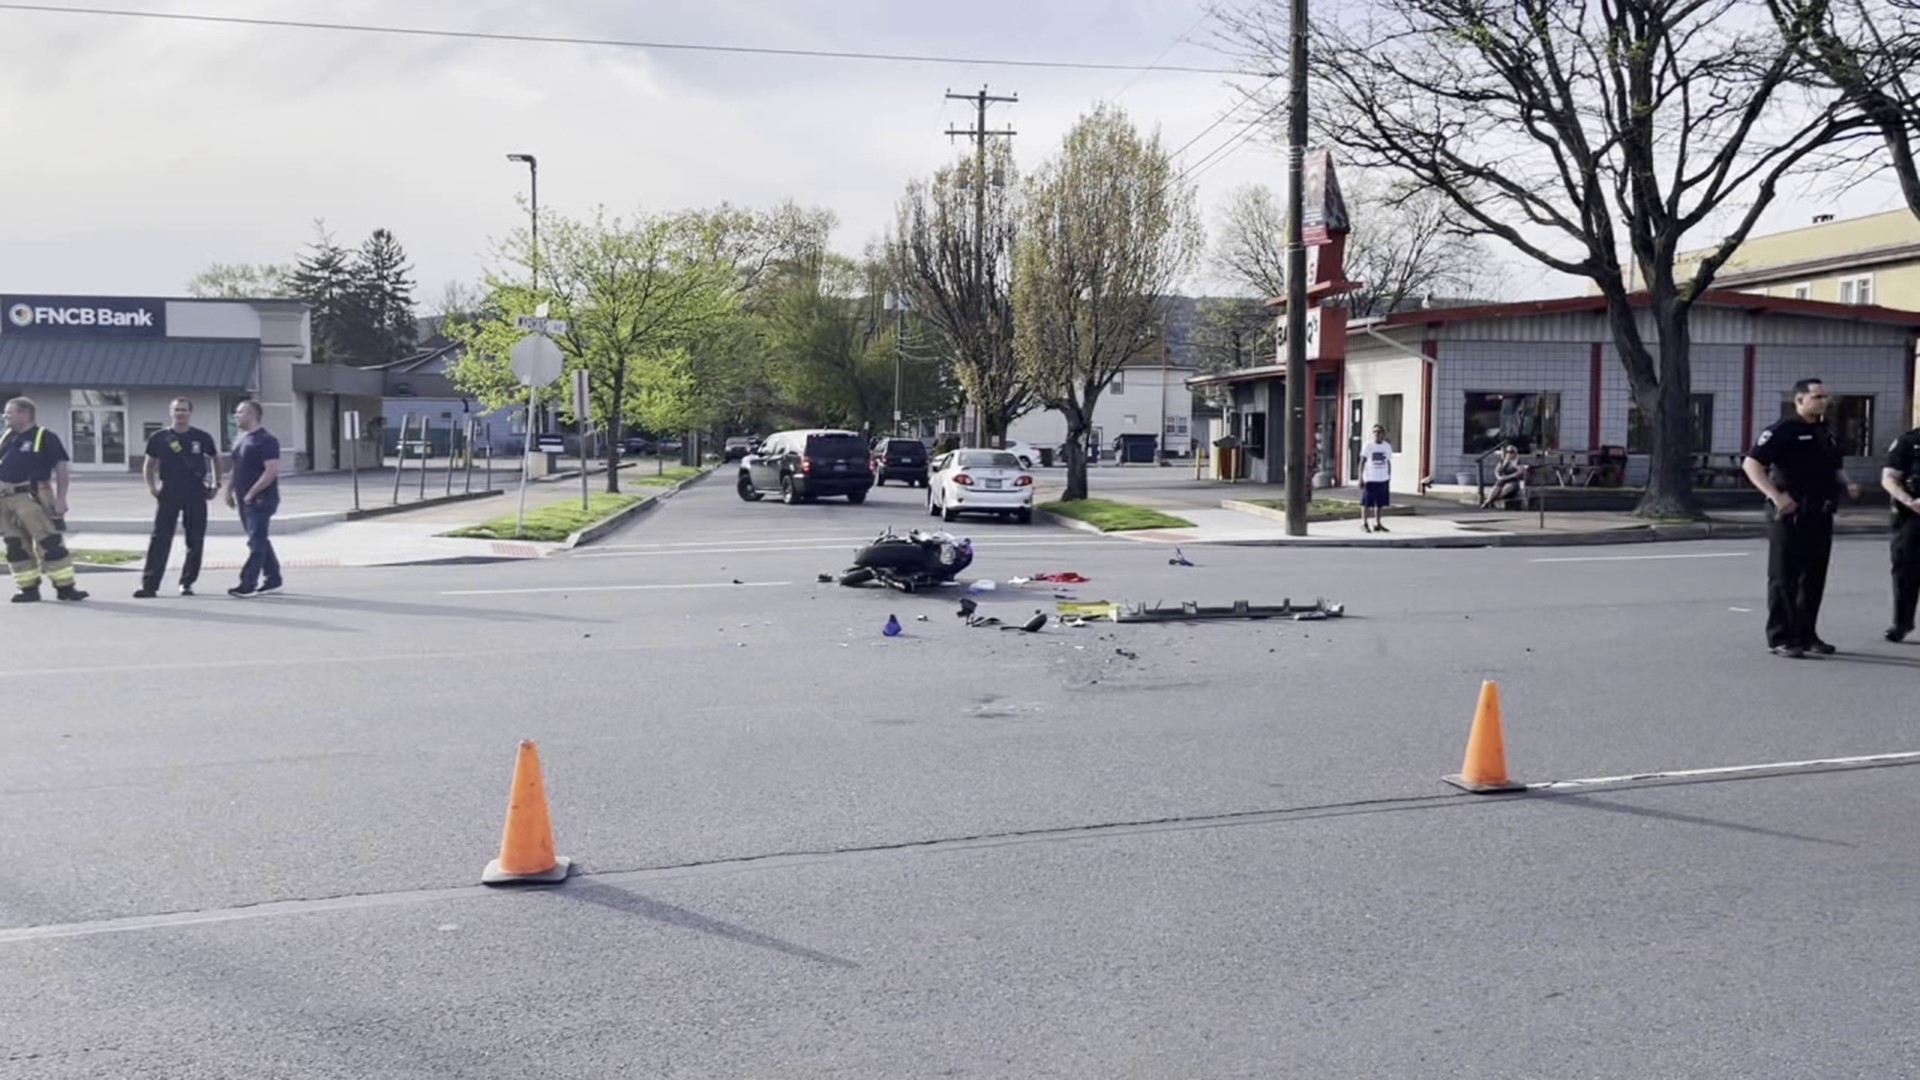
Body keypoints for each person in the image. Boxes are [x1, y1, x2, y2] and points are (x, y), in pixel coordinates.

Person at [1742, 378, 1860, 658]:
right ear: (1799, 400)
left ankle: (1806, 634)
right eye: (1817, 397)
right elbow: (1752, 464)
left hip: (1821, 512)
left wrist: (1848, 483)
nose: (1824, 401)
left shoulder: (1825, 431)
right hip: (1790, 514)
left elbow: (1834, 466)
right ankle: (1781, 637)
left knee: (1813, 577)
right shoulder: (1783, 430)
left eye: (1825, 397)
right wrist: (1776, 496)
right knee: (1784, 576)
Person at [0, 397, 88, 603]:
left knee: (49, 542)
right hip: (4, 499)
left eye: (9, 412)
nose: (5, 416)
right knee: (15, 545)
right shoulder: (7, 437)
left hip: (32, 497)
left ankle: (65, 587)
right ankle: (27, 588)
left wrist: (61, 498)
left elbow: (62, 467)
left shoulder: (45, 436)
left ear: (24, 414)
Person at [135, 397, 223, 599]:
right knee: (160, 538)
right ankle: (150, 585)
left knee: (195, 539)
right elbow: (149, 464)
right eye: (177, 410)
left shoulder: (201, 437)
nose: (180, 414)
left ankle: (187, 582)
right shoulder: (160, 437)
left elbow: (215, 459)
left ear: (190, 413)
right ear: (170, 412)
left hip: (195, 491)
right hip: (169, 491)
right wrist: (151, 486)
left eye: (184, 410)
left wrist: (217, 484)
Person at [224, 399, 283, 598]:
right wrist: (229, 490)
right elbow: (237, 467)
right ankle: (273, 578)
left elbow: (271, 470)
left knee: (256, 541)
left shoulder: (266, 440)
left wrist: (251, 493)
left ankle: (247, 584)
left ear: (251, 413)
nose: (236, 416)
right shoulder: (241, 439)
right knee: (259, 540)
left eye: (239, 412)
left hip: (260, 500)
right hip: (243, 499)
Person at [1882, 424, 1920, 642]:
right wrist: (1909, 500)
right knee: (1905, 572)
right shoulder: (1908, 442)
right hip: (1912, 517)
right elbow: (1888, 478)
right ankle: (1902, 622)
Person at [1359, 423, 1394, 533]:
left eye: (1379, 432)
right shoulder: (1368, 446)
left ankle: (1377, 523)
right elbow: (1362, 462)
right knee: (1366, 503)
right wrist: (1360, 477)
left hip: (1382, 478)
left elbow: (1388, 462)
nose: (1376, 434)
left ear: (1383, 434)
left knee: (1380, 503)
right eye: (1375, 432)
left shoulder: (1386, 446)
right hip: (1370, 479)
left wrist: (1388, 476)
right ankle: (1364, 523)